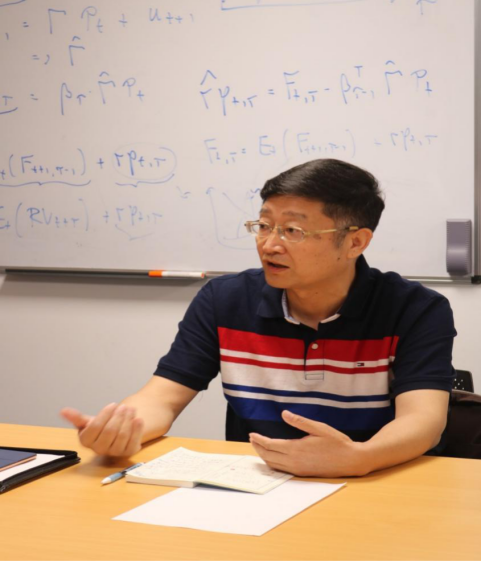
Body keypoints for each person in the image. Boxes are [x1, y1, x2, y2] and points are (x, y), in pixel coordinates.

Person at [61, 158, 456, 477]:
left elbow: (423, 421)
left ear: (355, 241)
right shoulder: (225, 300)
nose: (269, 245)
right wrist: (123, 429)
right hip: (259, 487)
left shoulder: (416, 309)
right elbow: (161, 398)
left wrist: (360, 458)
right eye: (264, 226)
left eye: (293, 231)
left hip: (376, 481)